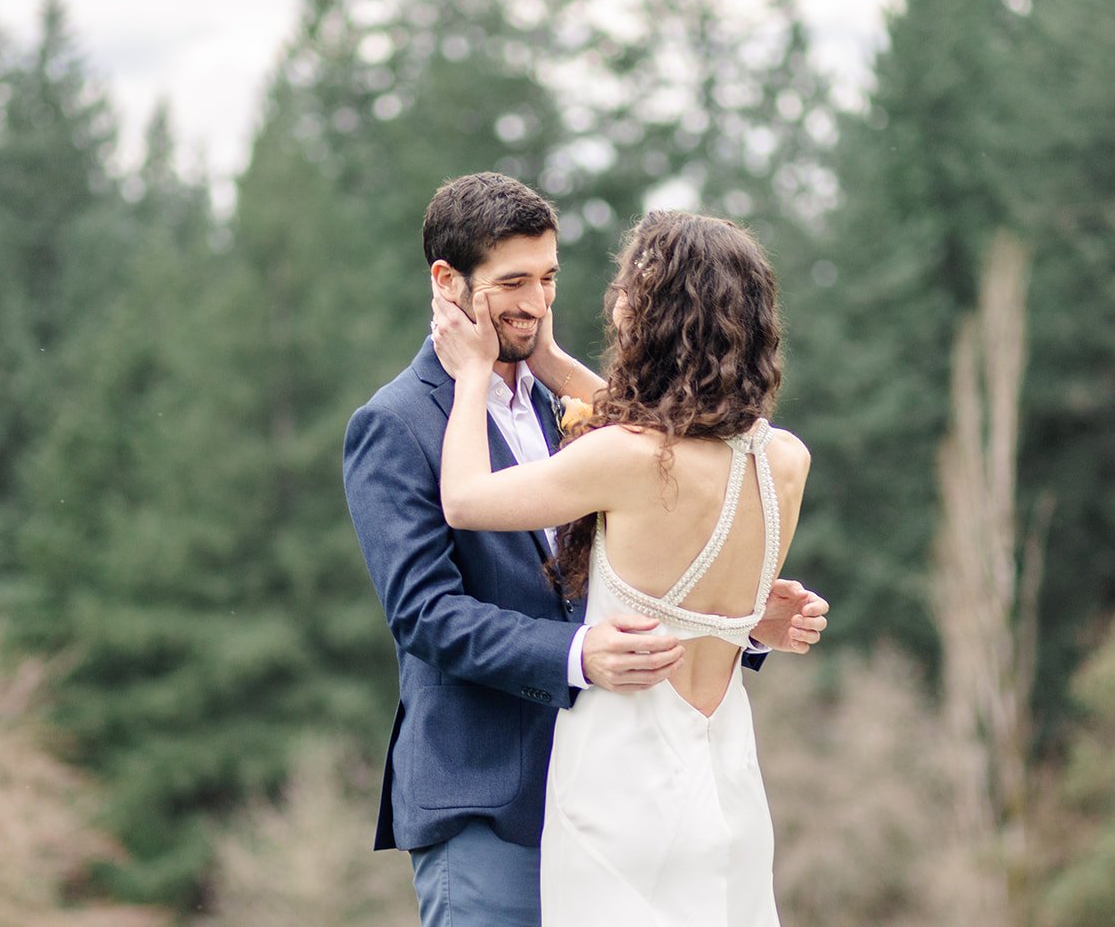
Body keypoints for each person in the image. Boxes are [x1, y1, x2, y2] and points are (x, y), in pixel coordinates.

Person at [342, 172, 827, 927]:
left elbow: (667, 492)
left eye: (549, 277)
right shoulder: (396, 423)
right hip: (492, 802)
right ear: (447, 282)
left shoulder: (578, 412)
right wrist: (578, 655)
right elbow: (426, 614)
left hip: (626, 783)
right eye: (512, 282)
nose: (536, 301)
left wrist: (744, 618)